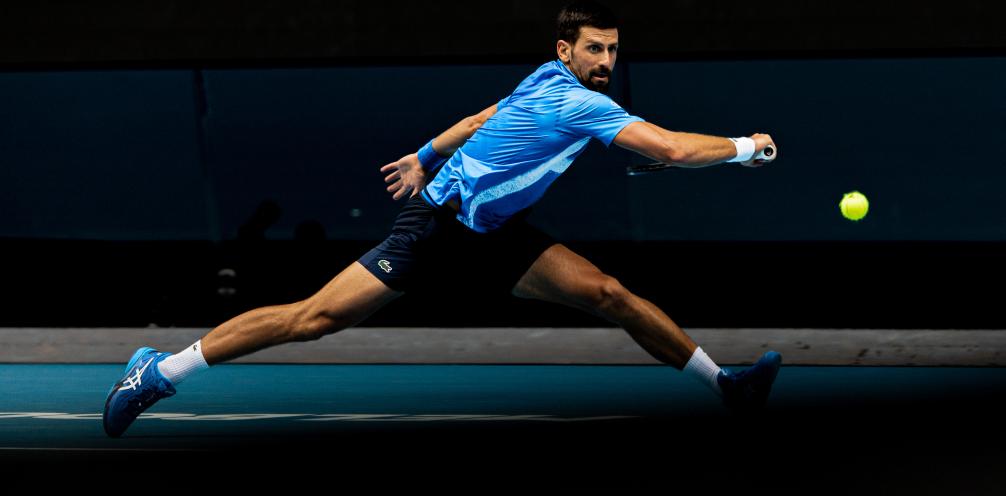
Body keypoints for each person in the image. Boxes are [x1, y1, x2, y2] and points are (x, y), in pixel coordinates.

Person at [103, 0, 782, 438]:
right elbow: (669, 149)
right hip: (435, 230)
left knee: (609, 294)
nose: (606, 62)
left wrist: (424, 154)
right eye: (594, 50)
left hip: (495, 235)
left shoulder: (544, 81)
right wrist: (747, 148)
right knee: (312, 319)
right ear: (565, 51)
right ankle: (158, 371)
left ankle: (727, 386)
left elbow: (483, 118)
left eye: (612, 50)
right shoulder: (576, 101)